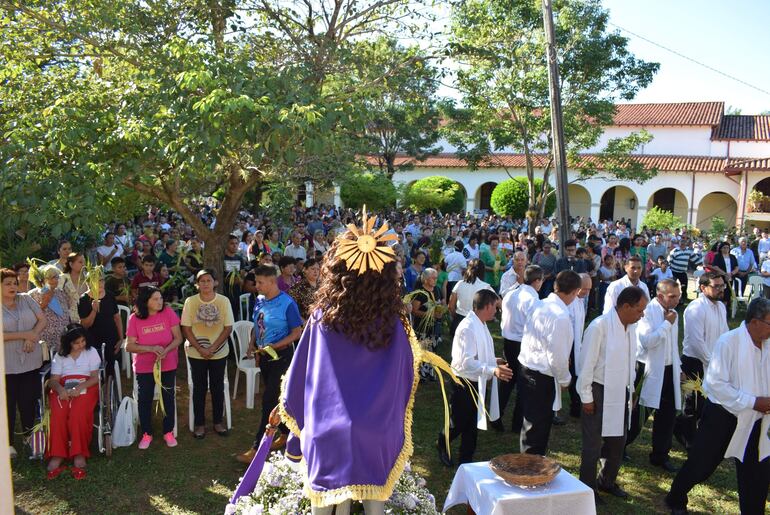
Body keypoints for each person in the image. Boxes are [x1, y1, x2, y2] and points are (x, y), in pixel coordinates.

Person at [666, 298, 770, 515]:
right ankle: (676, 496)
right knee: (702, 465)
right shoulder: (729, 342)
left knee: (757, 471)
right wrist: (753, 401)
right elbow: (716, 384)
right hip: (723, 415)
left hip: (757, 419)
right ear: (754, 321)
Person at [578, 286, 648, 500]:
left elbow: (630, 360)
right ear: (625, 306)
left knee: (618, 439)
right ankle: (587, 488)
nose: (642, 315)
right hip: (598, 389)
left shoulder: (631, 326)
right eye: (639, 310)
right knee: (593, 443)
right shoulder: (600, 326)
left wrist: (631, 389)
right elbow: (586, 364)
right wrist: (587, 397)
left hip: (621, 389)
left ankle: (607, 480)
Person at [237, 265, 303, 464]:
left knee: (268, 401)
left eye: (260, 282)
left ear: (272, 282)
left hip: (281, 358)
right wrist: (252, 344)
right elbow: (257, 325)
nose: (256, 286)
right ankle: (284, 433)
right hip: (264, 357)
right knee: (275, 398)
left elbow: (296, 332)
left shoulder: (287, 303)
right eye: (256, 282)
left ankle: (258, 447)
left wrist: (276, 345)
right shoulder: (259, 300)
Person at [439, 289, 512, 466]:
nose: (497, 310)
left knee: (472, 423)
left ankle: (466, 458)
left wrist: (494, 361)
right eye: (495, 306)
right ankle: (442, 443)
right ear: (486, 306)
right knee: (459, 421)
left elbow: (479, 355)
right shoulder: (468, 327)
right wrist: (492, 370)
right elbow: (466, 362)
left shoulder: (481, 323)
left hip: (476, 380)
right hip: (463, 382)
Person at [517, 270, 582, 455]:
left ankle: (530, 464)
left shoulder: (540, 304)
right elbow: (557, 356)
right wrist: (564, 379)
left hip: (528, 367)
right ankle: (530, 471)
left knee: (531, 423)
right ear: (575, 292)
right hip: (540, 375)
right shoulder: (560, 316)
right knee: (537, 428)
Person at [625, 279, 681, 472]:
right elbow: (648, 342)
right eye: (672, 296)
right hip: (648, 368)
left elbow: (673, 345)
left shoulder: (674, 314)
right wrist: (666, 324)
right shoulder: (647, 312)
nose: (676, 300)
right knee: (639, 412)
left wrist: (678, 367)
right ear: (660, 296)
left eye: (678, 295)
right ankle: (620, 444)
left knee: (668, 413)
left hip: (669, 368)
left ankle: (660, 455)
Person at [673, 272, 730, 450]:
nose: (720, 290)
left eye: (722, 286)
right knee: (692, 405)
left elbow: (725, 335)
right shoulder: (695, 308)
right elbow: (696, 342)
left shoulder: (720, 307)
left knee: (706, 404)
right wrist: (711, 363)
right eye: (716, 286)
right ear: (703, 287)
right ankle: (690, 442)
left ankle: (682, 430)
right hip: (695, 362)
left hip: (713, 362)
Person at [125, 286, 182, 449]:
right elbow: (129, 346)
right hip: (144, 367)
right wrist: (151, 349)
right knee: (144, 399)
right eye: (155, 299)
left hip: (167, 363)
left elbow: (178, 338)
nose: (160, 302)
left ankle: (168, 431)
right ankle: (146, 433)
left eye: (160, 298)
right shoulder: (134, 319)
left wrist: (166, 350)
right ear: (145, 301)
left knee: (168, 397)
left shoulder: (168, 313)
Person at [181, 269, 234, 439]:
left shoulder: (224, 301)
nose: (205, 284)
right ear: (197, 284)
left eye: (208, 280)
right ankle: (199, 424)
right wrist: (201, 348)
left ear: (215, 282)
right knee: (199, 388)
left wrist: (212, 348)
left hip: (218, 352)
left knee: (218, 387)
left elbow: (228, 328)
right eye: (202, 281)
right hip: (196, 353)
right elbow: (186, 328)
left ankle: (218, 422)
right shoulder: (190, 301)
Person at [45, 324, 101, 480]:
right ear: (68, 342)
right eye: (77, 342)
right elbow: (53, 381)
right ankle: (57, 453)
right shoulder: (60, 356)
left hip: (86, 385)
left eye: (83, 341)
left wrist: (80, 387)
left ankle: (79, 452)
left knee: (77, 414)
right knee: (58, 414)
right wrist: (61, 390)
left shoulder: (91, 352)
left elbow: (95, 377)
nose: (81, 345)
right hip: (62, 387)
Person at [2, 268, 46, 458]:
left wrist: (33, 336)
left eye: (14, 282)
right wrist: (23, 335)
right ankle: (8, 443)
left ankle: (29, 437)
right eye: (8, 284)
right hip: (6, 364)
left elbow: (42, 320)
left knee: (28, 400)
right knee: (8, 404)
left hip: (30, 360)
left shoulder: (26, 299)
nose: (13, 286)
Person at [496, 265, 543, 433]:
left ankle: (497, 415)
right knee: (523, 383)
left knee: (506, 381)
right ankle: (517, 422)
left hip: (508, 341)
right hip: (522, 343)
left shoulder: (511, 294)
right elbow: (534, 326)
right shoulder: (533, 299)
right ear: (537, 281)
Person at [78, 273, 122, 380]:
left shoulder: (110, 296)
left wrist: (121, 338)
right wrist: (94, 310)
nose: (100, 283)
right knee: (96, 371)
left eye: (102, 280)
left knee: (111, 371)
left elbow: (117, 318)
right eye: (97, 280)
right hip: (93, 341)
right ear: (88, 283)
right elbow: (85, 325)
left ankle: (110, 392)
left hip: (111, 338)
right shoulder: (83, 300)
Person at [28, 265, 71, 355]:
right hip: (45, 339)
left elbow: (67, 311)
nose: (56, 280)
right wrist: (44, 303)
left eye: (57, 277)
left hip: (63, 338)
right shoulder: (33, 294)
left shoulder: (60, 292)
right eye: (52, 277)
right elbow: (31, 317)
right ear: (43, 279)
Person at [448, 260, 493, 336]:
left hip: (458, 321)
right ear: (483, 271)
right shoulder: (485, 287)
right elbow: (499, 303)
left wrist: (456, 317)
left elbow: (450, 306)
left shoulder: (459, 284)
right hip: (476, 323)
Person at [61, 252, 87, 322]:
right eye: (80, 262)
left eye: (84, 262)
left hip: (88, 319)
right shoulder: (62, 279)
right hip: (69, 320)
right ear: (71, 264)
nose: (84, 265)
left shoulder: (89, 278)